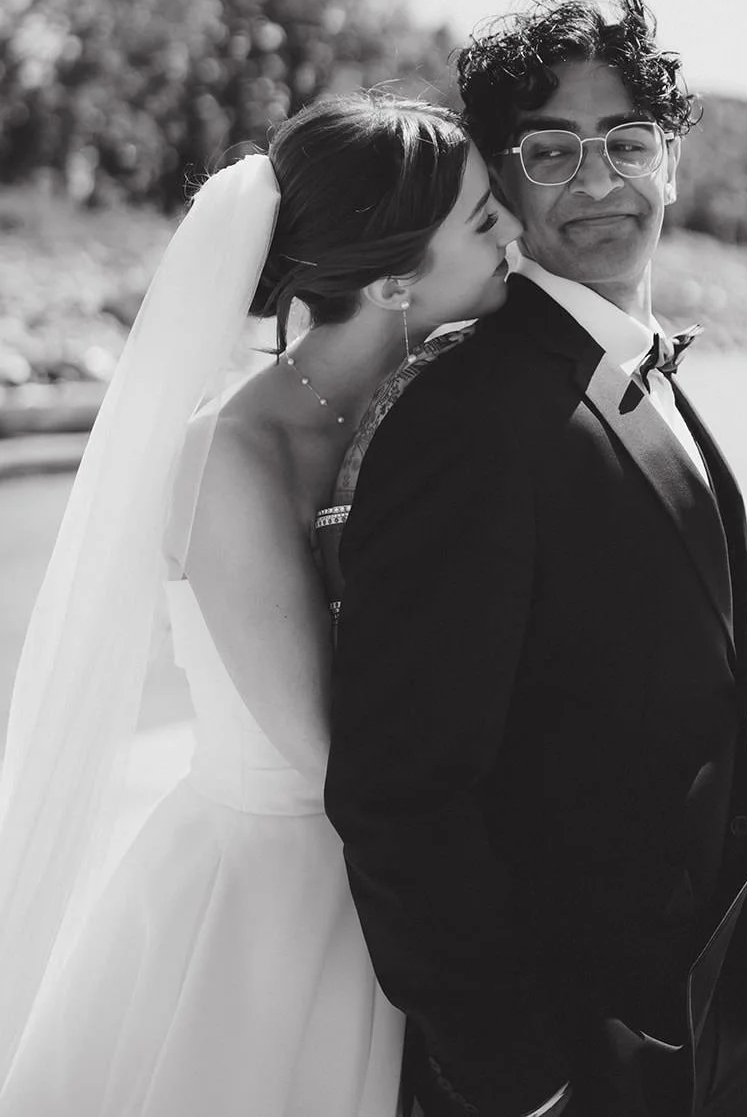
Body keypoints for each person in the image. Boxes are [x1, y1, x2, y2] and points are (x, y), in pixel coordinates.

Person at [0, 93, 519, 1117]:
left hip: (385, 880)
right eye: (481, 218)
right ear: (388, 278)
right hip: (275, 911)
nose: (512, 229)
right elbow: (323, 754)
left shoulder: (419, 409)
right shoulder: (231, 454)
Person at [324, 0, 747, 1117]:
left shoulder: (639, 375)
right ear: (499, 172)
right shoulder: (467, 420)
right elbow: (398, 795)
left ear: (670, 157)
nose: (597, 181)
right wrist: (519, 1083)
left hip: (702, 1028)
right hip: (570, 1068)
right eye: (551, 149)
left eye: (628, 142)